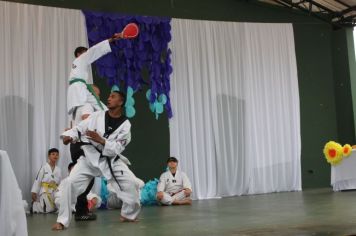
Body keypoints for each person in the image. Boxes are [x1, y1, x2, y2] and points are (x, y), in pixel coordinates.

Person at [52, 89, 141, 231]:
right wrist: (69, 136)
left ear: (121, 102)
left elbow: (117, 148)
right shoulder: (97, 116)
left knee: (132, 183)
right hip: (89, 159)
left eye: (113, 96)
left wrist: (101, 140)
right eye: (109, 96)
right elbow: (79, 128)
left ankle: (128, 214)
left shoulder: (125, 124)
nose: (109, 98)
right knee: (69, 183)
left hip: (110, 161)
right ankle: (62, 221)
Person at [68, 84, 104, 221]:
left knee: (85, 177)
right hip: (83, 145)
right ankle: (80, 211)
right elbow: (87, 122)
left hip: (75, 145)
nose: (98, 97)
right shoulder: (88, 104)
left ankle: (81, 209)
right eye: (97, 94)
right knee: (86, 178)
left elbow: (72, 127)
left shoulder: (76, 108)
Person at [67, 34, 123, 116]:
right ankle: (110, 119)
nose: (87, 54)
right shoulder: (81, 59)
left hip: (76, 89)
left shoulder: (76, 64)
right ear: (79, 54)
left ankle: (108, 118)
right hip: (79, 88)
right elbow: (94, 50)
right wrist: (111, 40)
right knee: (97, 107)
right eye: (85, 53)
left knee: (87, 109)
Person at [31, 148, 62, 213]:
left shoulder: (58, 169)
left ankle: (48, 206)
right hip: (45, 191)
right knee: (48, 210)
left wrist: (61, 191)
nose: (55, 156)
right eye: (53, 154)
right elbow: (38, 179)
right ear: (49, 156)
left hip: (55, 191)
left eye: (57, 155)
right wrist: (34, 192)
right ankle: (35, 206)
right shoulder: (44, 167)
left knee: (58, 206)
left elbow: (60, 182)